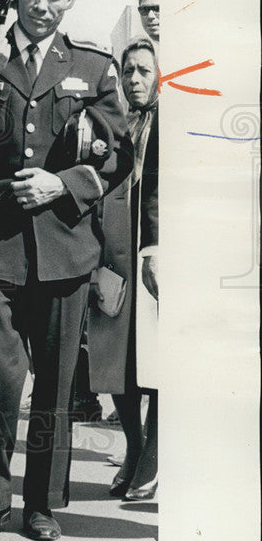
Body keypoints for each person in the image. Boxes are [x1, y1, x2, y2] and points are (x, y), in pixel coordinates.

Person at [0, 0, 133, 541]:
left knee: (54, 381)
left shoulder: (94, 66)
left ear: (71, 0)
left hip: (63, 244)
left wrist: (64, 182)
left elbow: (120, 156)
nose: (43, 5)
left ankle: (42, 503)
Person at [94, 37, 158, 501]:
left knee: (156, 360)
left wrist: (158, 249)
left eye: (145, 71)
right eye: (129, 70)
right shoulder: (120, 120)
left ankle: (153, 457)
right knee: (119, 358)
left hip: (154, 253)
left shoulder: (169, 121)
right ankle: (135, 448)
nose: (135, 79)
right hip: (115, 249)